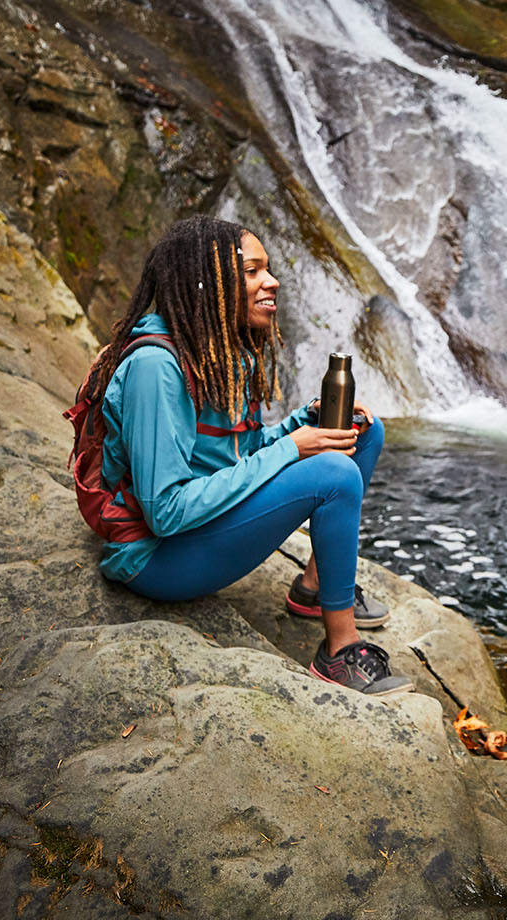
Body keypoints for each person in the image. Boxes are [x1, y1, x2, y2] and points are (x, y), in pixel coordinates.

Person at [87, 215, 411, 696]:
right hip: (156, 559)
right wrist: (290, 449)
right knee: (334, 474)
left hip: (200, 528)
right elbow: (166, 512)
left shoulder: (215, 352)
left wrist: (299, 425)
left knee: (362, 432)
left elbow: (235, 455)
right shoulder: (157, 368)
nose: (272, 281)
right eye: (253, 272)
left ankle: (316, 589)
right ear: (206, 283)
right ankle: (340, 652)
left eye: (268, 270)